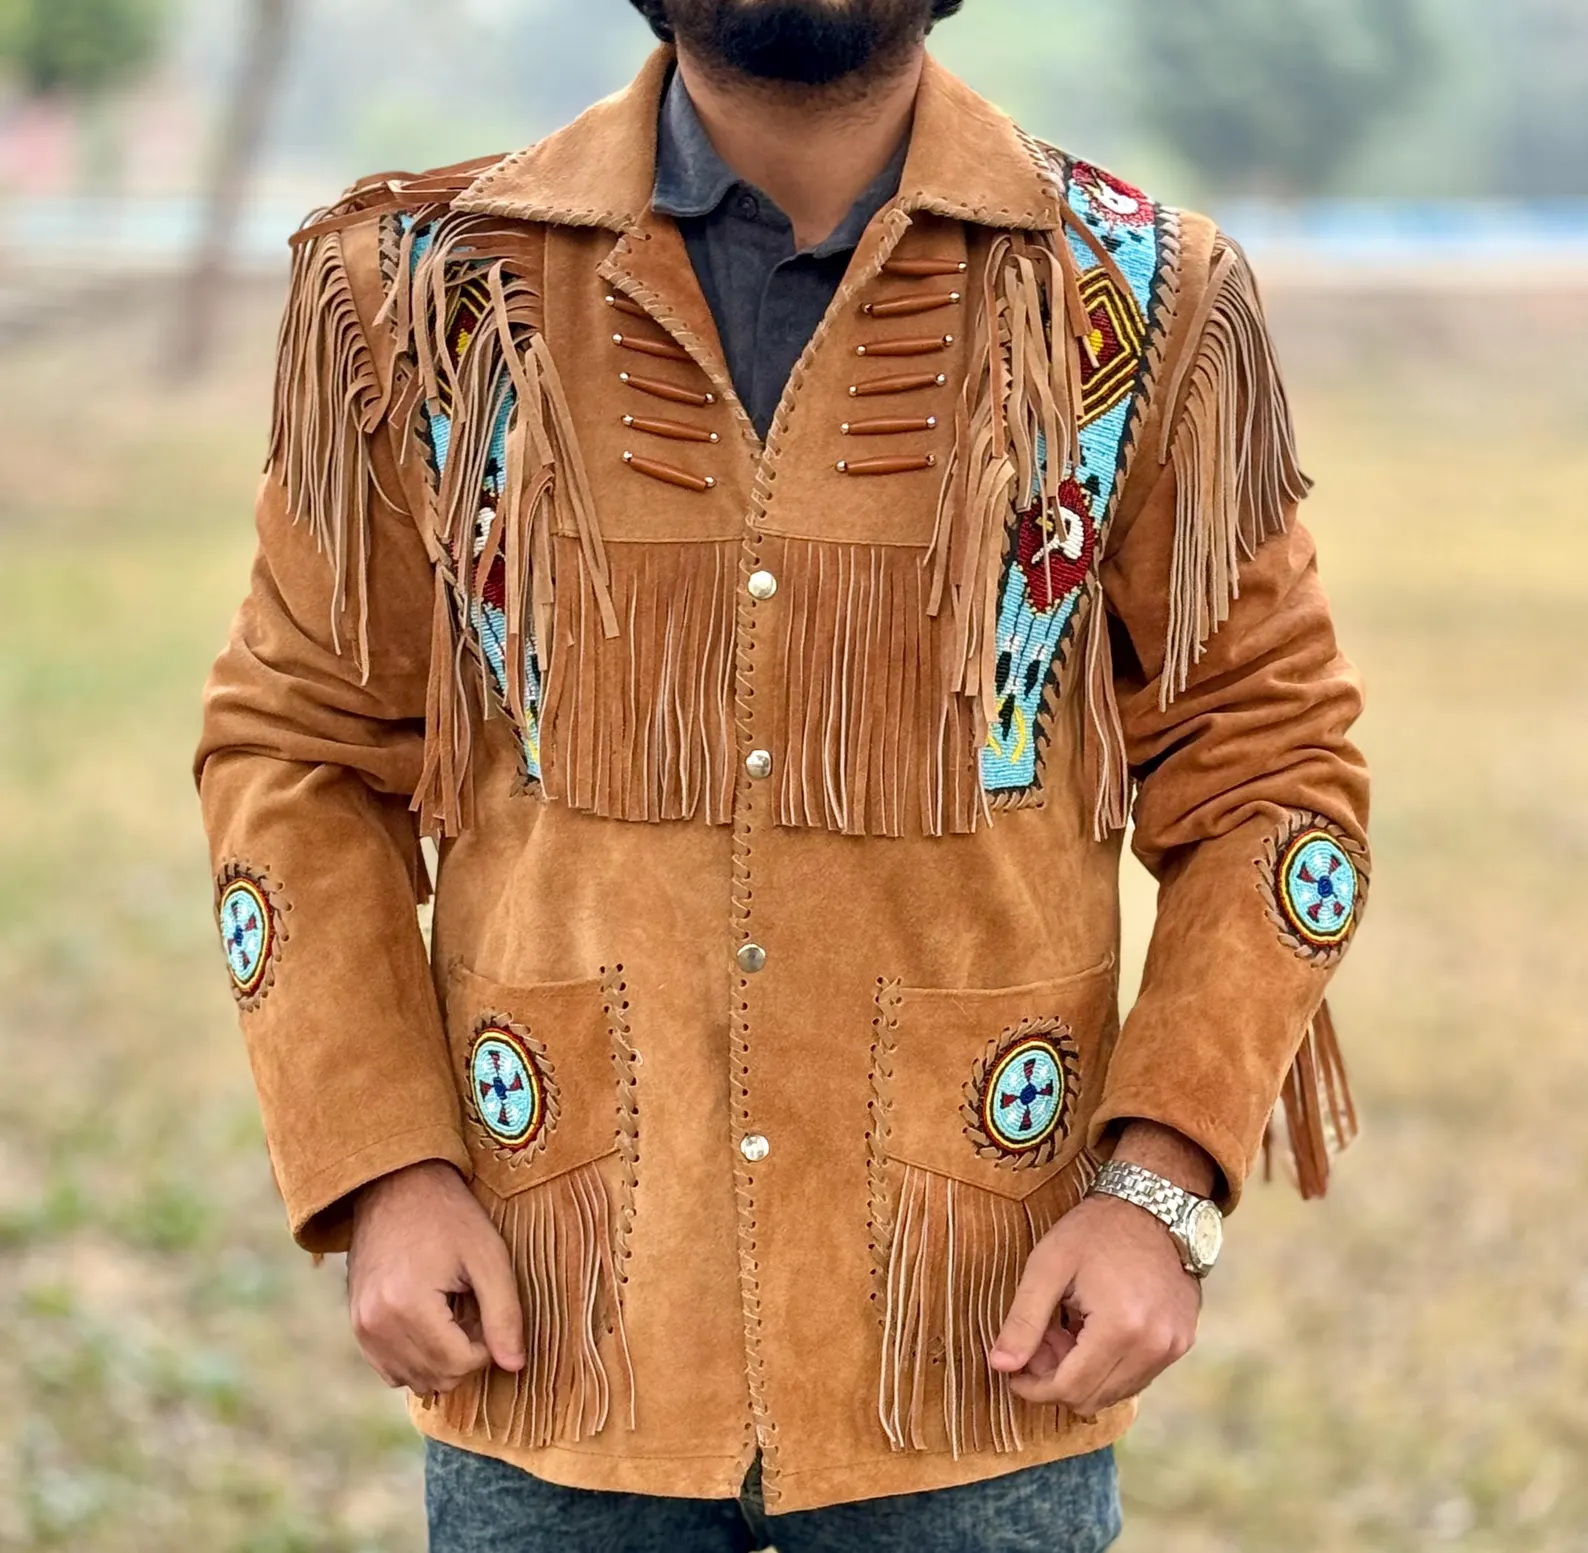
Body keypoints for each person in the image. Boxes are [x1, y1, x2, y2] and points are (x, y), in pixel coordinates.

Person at [196, 1, 1370, 1548]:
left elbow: (1277, 772)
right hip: (558, 1339)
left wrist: (1160, 1184)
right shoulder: (422, 297)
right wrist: (384, 1166)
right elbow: (296, 754)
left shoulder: (1140, 300)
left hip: (975, 1362)